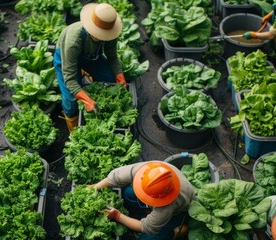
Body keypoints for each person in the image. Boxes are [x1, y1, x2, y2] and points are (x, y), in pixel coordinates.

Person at [53, 3, 127, 132]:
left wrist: (120, 76)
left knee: (110, 79)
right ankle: (75, 131)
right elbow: (69, 79)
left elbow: (112, 56)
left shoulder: (110, 33)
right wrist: (87, 100)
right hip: (66, 57)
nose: (103, 37)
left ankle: (84, 76)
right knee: (71, 101)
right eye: (100, 34)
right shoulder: (73, 41)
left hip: (92, 57)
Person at [91, 161, 196, 239]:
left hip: (177, 213)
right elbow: (116, 177)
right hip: (160, 198)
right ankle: (149, 211)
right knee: (128, 193)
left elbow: (146, 227)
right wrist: (93, 188)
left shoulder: (167, 205)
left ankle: (175, 232)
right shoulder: (149, 170)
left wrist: (117, 216)